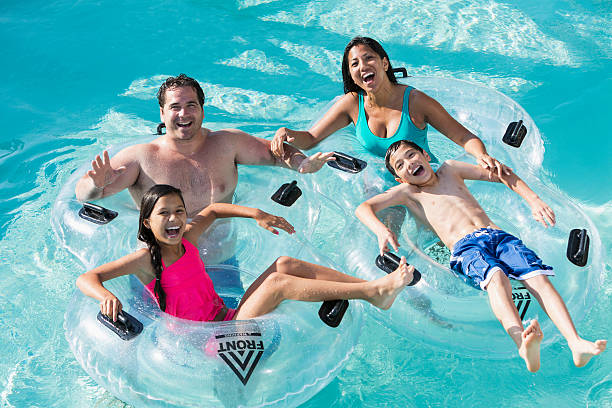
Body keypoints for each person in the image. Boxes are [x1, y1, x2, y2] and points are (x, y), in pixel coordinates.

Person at [355, 140, 606, 372]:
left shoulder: (451, 169)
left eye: (411, 155)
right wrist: (381, 229)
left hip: (499, 237)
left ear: (425, 155)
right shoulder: (408, 194)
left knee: (539, 279)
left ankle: (576, 343)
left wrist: (534, 201)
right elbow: (363, 208)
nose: (409, 163)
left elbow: (501, 174)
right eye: (401, 165)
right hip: (465, 248)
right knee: (497, 279)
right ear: (400, 179)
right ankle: (522, 342)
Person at [77, 184, 414, 323]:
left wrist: (256, 214)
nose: (174, 219)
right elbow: (87, 278)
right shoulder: (147, 259)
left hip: (225, 317)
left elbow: (210, 211)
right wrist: (104, 295)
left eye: (178, 211)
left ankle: (370, 292)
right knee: (278, 283)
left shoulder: (187, 240)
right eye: (163, 214)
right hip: (208, 341)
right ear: (147, 222)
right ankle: (372, 291)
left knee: (285, 263)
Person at [75, 73, 334, 217]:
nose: (183, 114)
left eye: (191, 105)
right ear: (162, 114)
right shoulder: (142, 158)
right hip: (161, 261)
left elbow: (277, 154)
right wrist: (95, 184)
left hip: (223, 258)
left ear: (202, 110)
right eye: (175, 107)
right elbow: (85, 196)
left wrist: (303, 164)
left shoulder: (226, 143)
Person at [271, 36, 508, 176]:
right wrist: (286, 133)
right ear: (351, 75)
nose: (362, 66)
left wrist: (482, 155)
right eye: (354, 64)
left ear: (384, 63)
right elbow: (312, 138)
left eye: (369, 58)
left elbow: (463, 136)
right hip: (380, 180)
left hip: (421, 175)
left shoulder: (415, 102)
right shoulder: (352, 104)